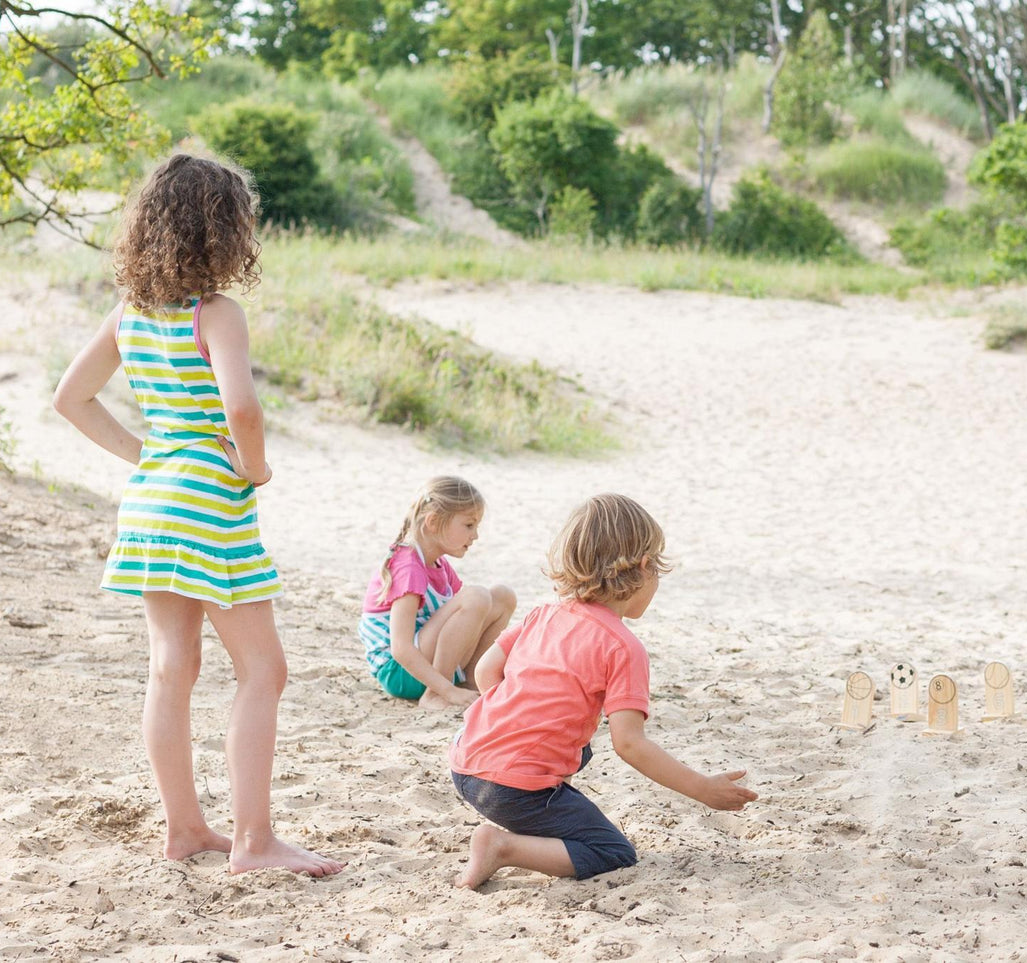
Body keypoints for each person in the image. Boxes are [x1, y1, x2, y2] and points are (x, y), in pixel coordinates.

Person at [53, 152, 341, 877]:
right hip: (209, 502)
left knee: (170, 668)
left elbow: (70, 397)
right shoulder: (216, 314)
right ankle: (253, 840)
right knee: (263, 669)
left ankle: (184, 828)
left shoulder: (129, 315)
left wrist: (147, 452)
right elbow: (240, 405)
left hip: (150, 499)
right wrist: (256, 466)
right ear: (225, 231)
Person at [449, 493, 758, 888]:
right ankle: (502, 847)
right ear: (645, 567)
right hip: (511, 790)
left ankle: (538, 802)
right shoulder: (623, 647)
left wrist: (516, 719)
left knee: (579, 745)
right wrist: (703, 789)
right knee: (611, 851)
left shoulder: (545, 614)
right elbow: (630, 744)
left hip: (465, 765)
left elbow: (487, 670)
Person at [359, 476, 517, 710]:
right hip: (400, 671)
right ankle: (435, 694)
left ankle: (471, 682)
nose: (475, 536)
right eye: (469, 525)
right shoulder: (408, 567)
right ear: (433, 522)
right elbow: (400, 649)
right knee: (476, 596)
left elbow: (465, 623)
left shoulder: (440, 566)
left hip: (429, 662)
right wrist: (445, 689)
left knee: (503, 595)